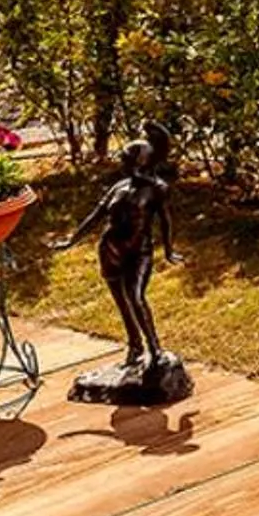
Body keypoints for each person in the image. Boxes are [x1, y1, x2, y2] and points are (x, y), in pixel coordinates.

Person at [63, 133, 178, 368]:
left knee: (136, 297)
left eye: (128, 159)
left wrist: (168, 250)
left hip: (139, 252)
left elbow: (165, 220)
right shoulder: (119, 187)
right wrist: (71, 240)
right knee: (122, 302)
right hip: (111, 249)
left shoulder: (157, 189)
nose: (123, 163)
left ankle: (155, 348)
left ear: (142, 162)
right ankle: (135, 346)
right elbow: (96, 215)